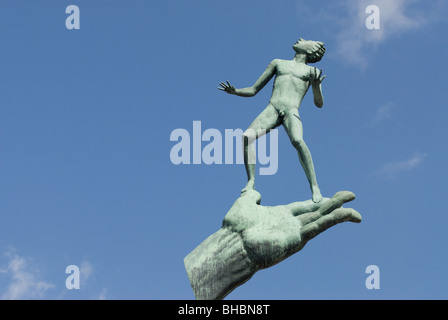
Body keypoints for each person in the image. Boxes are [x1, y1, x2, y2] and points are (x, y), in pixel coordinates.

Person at [219, 37, 326, 203]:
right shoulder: (278, 63)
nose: (300, 39)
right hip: (272, 108)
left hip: (291, 110)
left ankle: (314, 187)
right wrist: (235, 91)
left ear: (311, 49)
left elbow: (319, 103)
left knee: (298, 141)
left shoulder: (313, 72)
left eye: (305, 40)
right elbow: (254, 89)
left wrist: (315, 85)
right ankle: (251, 181)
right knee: (247, 137)